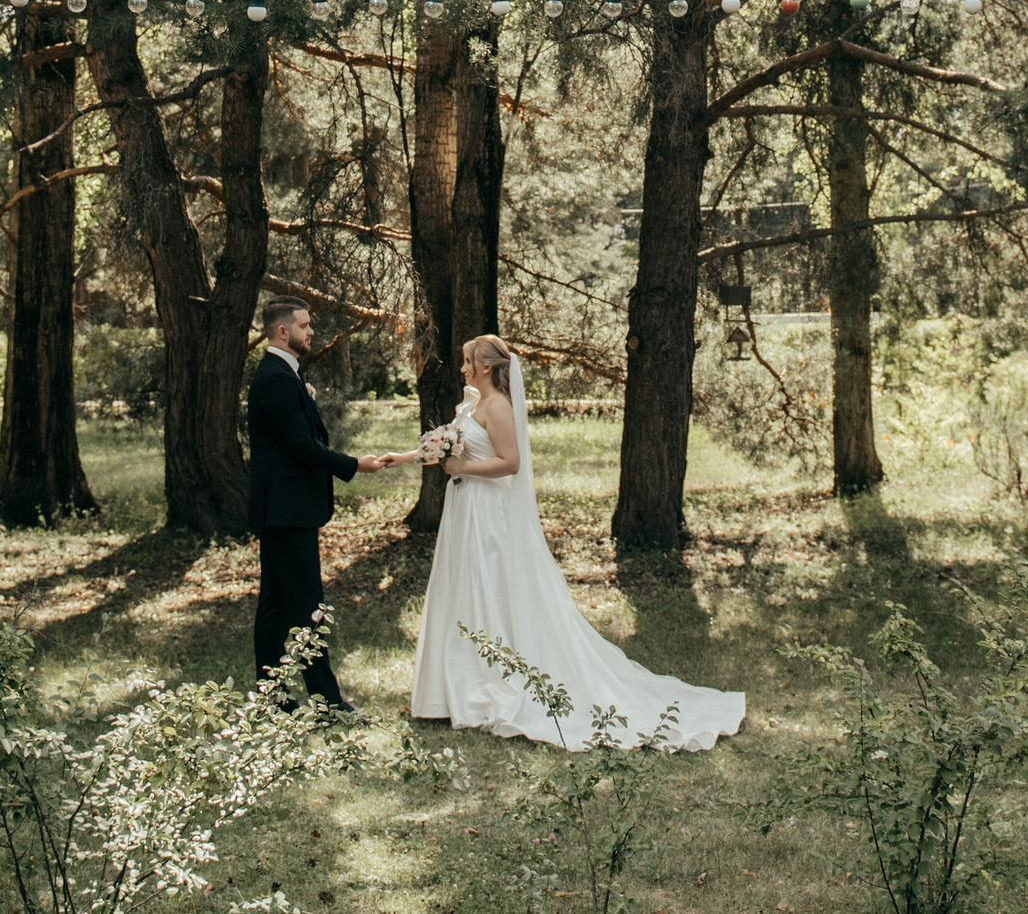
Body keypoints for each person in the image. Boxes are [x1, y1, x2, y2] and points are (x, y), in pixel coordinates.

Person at [383, 334, 744, 750]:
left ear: (485, 366)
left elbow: (510, 462)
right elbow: (446, 444)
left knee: (488, 588)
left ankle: (488, 687)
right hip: (464, 508)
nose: (462, 368)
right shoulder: (472, 404)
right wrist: (405, 457)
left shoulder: (498, 407)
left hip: (485, 512)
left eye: (467, 361)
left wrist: (466, 467)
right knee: (462, 588)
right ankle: (452, 690)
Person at [247, 298, 389, 709]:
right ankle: (328, 702)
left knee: (274, 608)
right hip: (287, 511)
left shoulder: (284, 374)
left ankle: (271, 698)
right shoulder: (276, 377)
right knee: (308, 607)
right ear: (282, 332)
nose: (312, 332)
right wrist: (353, 465)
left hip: (284, 510)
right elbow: (300, 447)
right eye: (305, 326)